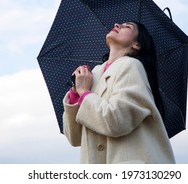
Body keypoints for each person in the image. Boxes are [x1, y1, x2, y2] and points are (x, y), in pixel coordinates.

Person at [62, 21, 175, 164]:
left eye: (127, 26)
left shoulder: (132, 65)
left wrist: (84, 92)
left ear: (137, 45)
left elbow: (116, 121)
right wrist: (75, 93)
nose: (117, 24)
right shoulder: (94, 74)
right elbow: (75, 138)